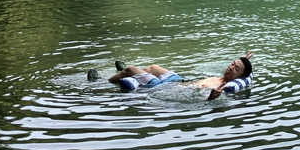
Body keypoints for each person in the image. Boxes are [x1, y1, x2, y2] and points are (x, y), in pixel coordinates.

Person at [108, 53, 253, 100]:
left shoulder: (221, 86)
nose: (231, 66)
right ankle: (130, 74)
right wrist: (246, 58)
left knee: (130, 68)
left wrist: (211, 98)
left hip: (167, 88)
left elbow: (205, 100)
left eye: (236, 68)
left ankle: (102, 81)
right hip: (179, 80)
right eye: (233, 63)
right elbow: (245, 69)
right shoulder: (224, 77)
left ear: (239, 76)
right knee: (153, 67)